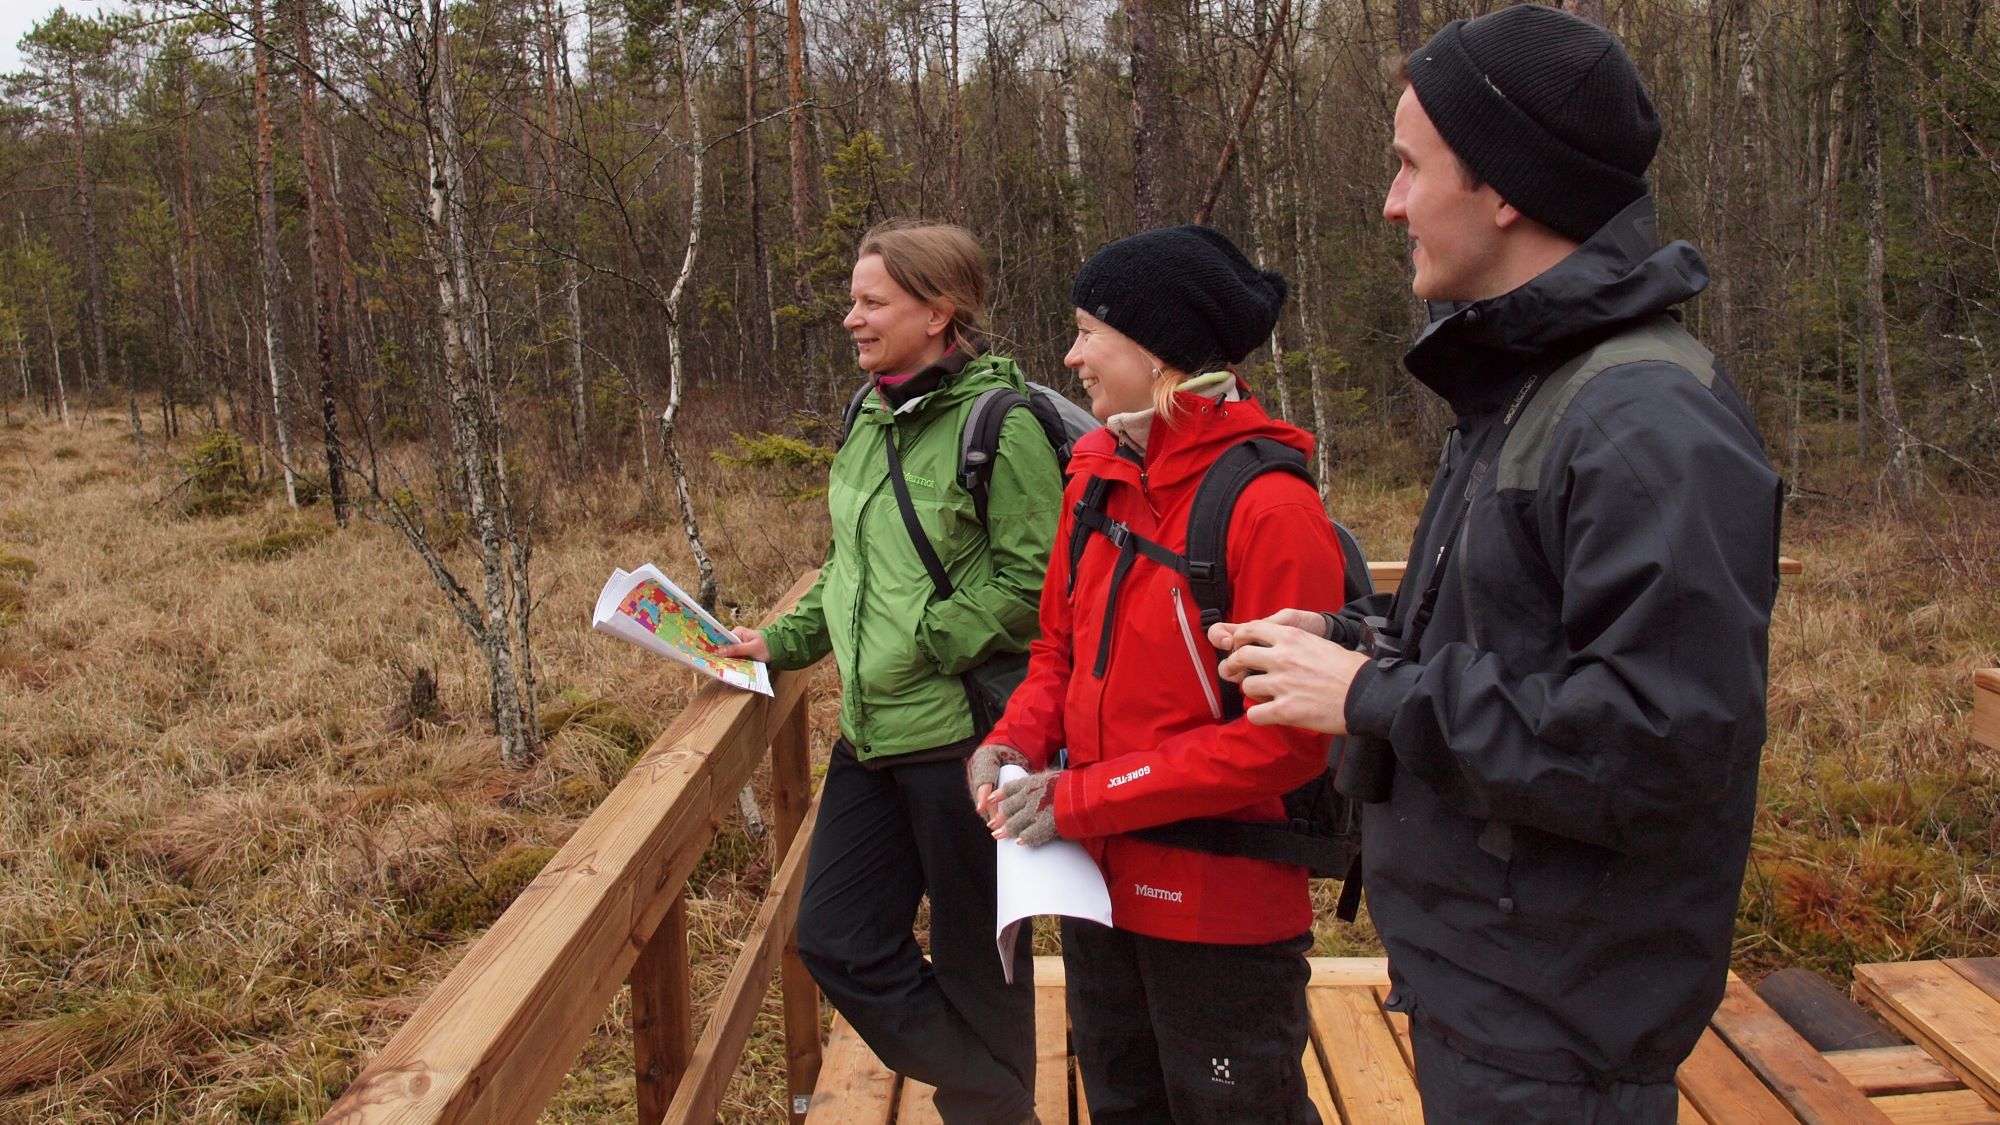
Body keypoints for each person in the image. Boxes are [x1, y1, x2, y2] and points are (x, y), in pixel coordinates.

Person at [1211, 7, 1784, 1121]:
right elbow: (1513, 644)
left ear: (1504, 188)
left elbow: (1661, 744)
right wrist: (1345, 646)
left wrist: (1374, 696)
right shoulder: (1528, 388)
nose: (1389, 202)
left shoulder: (1639, 416)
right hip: (1497, 988)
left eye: (1408, 166)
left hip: (1559, 1025)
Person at [967, 225, 1342, 1125]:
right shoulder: (1095, 476)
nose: (1073, 355)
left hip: (1221, 914)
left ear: (1156, 351)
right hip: (1095, 890)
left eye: (1090, 330)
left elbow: (1287, 743)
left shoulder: (1271, 507)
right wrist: (1013, 740)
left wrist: (1082, 799)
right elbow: (1057, 649)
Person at [722, 220, 1061, 1125]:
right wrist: (783, 640)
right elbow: (849, 564)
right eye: (853, 301)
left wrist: (928, 634)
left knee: (977, 960)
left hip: (965, 736)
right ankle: (994, 1094)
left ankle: (990, 1110)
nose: (851, 319)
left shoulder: (1002, 423)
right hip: (870, 733)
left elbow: (1038, 580)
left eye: (872, 302)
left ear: (937, 312)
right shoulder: (865, 416)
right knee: (834, 936)